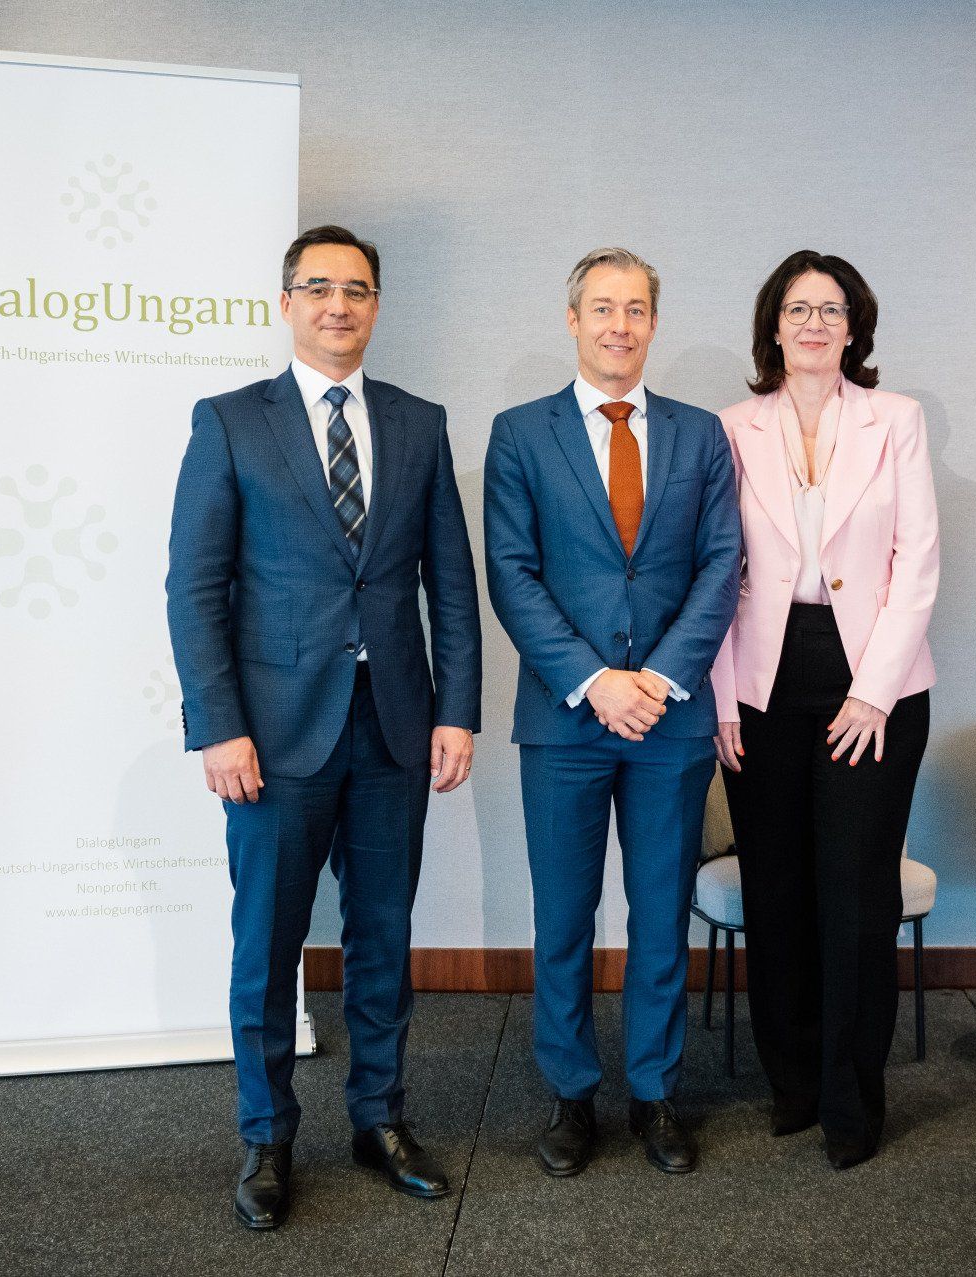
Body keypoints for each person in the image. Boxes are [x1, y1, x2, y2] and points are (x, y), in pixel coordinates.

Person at [166, 224, 481, 1230]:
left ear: (377, 304)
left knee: (384, 935)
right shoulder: (230, 422)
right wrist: (218, 726)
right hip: (272, 737)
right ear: (286, 303)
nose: (338, 304)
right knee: (267, 942)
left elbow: (451, 586)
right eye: (318, 287)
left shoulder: (420, 423)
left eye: (356, 289)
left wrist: (457, 710)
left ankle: (379, 1118)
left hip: (394, 728)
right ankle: (266, 1136)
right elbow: (193, 588)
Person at [483, 247, 740, 1177]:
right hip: (565, 720)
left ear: (653, 323)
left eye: (635, 309)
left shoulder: (701, 434)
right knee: (563, 915)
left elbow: (722, 563)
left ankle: (655, 1091)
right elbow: (510, 572)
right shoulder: (521, 433)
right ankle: (570, 1092)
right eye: (602, 308)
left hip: (670, 721)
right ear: (573, 320)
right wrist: (595, 680)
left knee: (661, 915)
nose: (619, 325)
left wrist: (659, 678)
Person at [709, 251, 938, 1168]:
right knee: (775, 888)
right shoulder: (731, 427)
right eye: (798, 308)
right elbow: (712, 571)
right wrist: (722, 696)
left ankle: (852, 1098)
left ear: (854, 328)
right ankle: (793, 1082)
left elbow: (916, 562)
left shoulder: (896, 419)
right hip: (760, 677)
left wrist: (873, 690)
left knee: (855, 893)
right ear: (773, 325)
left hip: (874, 681)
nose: (813, 323)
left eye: (831, 310)